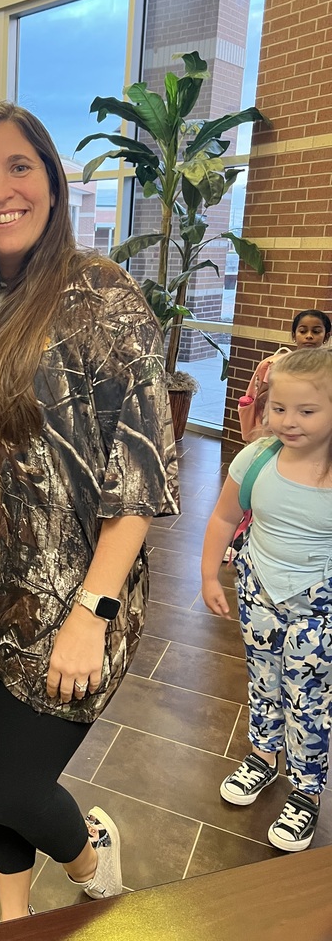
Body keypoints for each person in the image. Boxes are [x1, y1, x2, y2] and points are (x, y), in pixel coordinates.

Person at [0, 102, 179, 920]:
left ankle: (89, 864)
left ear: (52, 179)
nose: (0, 190)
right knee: (5, 763)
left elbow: (139, 478)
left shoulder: (103, 298)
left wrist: (90, 612)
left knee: (12, 780)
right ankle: (13, 920)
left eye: (18, 167)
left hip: (76, 594)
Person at [201, 347, 332, 853]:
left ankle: (306, 789)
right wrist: (210, 575)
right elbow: (222, 518)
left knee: (309, 697)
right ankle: (262, 756)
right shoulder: (256, 459)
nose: (288, 421)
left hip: (318, 606)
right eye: (278, 408)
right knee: (264, 679)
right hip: (259, 590)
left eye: (306, 411)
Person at [238, 309, 331, 442]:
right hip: (276, 430)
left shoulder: (327, 368)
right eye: (303, 331)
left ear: (326, 336)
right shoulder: (277, 365)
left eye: (316, 331)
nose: (309, 336)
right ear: (294, 335)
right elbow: (262, 399)